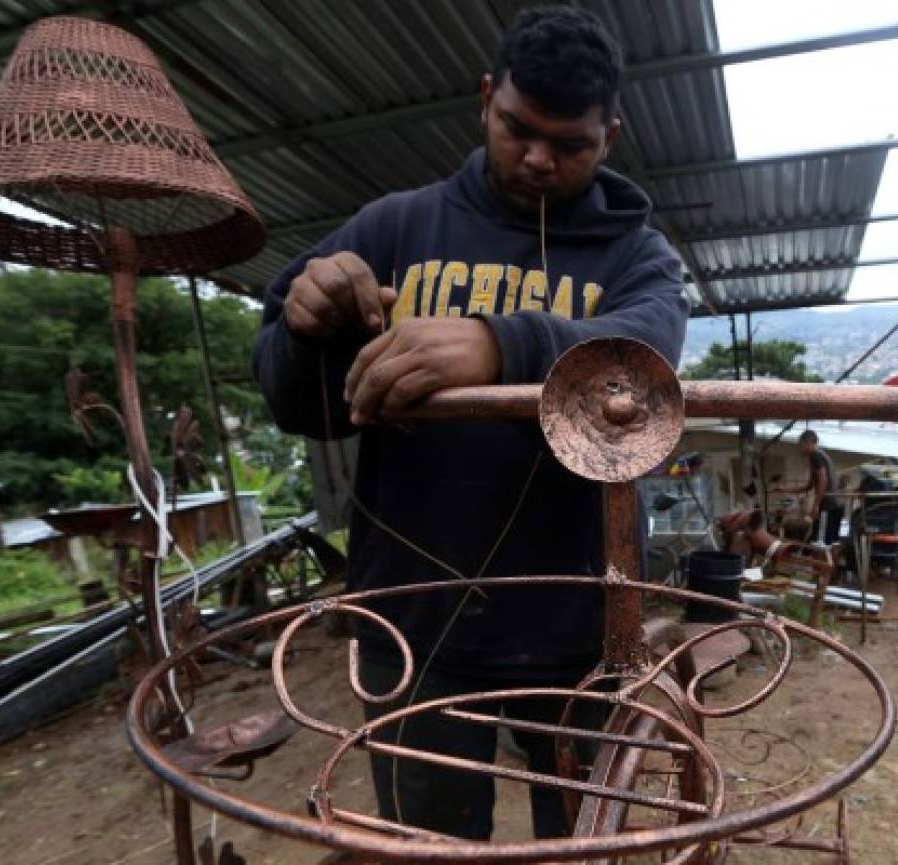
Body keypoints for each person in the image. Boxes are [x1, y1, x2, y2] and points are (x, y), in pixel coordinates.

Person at [252, 6, 688, 841]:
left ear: (612, 138)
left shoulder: (637, 256)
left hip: (580, 626)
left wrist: (503, 341)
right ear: (485, 98)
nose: (538, 158)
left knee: (586, 846)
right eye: (518, 128)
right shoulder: (394, 227)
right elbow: (295, 401)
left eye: (571, 146)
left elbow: (645, 356)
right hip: (410, 623)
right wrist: (311, 326)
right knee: (433, 849)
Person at [779, 430, 842, 546]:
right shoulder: (821, 456)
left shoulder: (815, 455)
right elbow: (809, 486)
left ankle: (822, 564)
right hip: (837, 504)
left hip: (828, 505)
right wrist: (788, 490)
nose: (799, 448)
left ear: (807, 442)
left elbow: (823, 480)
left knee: (820, 543)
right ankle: (831, 563)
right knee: (832, 542)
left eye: (800, 444)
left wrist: (816, 504)